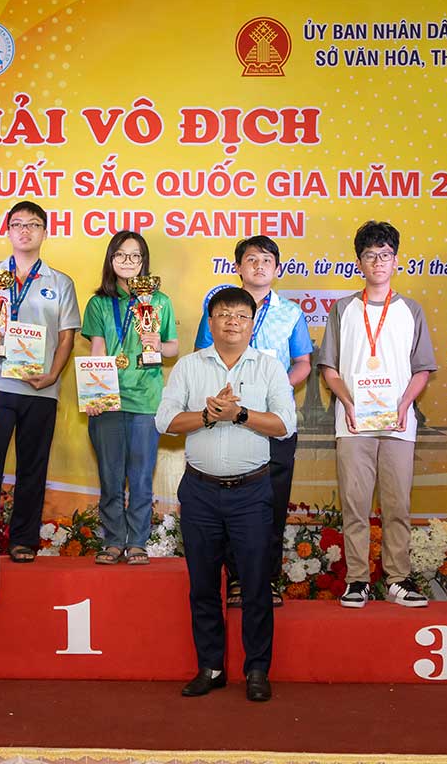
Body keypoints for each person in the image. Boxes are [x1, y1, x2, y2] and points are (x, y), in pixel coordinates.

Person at [156, 287, 297, 703]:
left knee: (255, 585)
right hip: (200, 492)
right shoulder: (189, 366)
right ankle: (211, 667)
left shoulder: (269, 367)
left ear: (251, 324)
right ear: (211, 321)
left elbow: (284, 425)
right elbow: (165, 421)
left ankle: (257, 670)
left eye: (240, 315)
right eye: (223, 314)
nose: (232, 322)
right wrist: (206, 415)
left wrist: (239, 414)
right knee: (203, 585)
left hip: (251, 493)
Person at [316, 221, 437, 609]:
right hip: (353, 424)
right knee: (355, 504)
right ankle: (357, 580)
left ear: (396, 260)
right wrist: (348, 402)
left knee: (397, 504)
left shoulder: (411, 310)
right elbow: (329, 368)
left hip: (398, 424)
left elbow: (422, 369)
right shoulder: (342, 310)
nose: (378, 262)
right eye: (370, 255)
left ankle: (398, 579)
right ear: (359, 263)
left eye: (385, 255)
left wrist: (404, 404)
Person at [194, 236, 312, 606]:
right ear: (237, 267)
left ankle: (268, 580)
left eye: (266, 260)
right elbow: (201, 355)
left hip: (273, 421)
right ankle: (237, 580)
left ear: (277, 268)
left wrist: (274, 389)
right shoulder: (218, 309)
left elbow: (303, 363)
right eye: (251, 260)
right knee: (231, 500)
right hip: (227, 419)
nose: (259, 266)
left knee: (271, 504)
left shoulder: (291, 313)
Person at [0, 200, 82, 562]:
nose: (25, 230)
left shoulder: (60, 282)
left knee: (33, 466)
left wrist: (52, 375)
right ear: (8, 231)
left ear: (45, 232)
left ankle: (24, 541)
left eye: (33, 224)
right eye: (17, 224)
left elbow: (66, 336)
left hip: (40, 388)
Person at [82, 231, 178, 565]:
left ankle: (137, 541)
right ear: (111, 259)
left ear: (143, 262)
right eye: (121, 255)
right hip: (108, 398)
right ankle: (112, 541)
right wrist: (94, 393)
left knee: (140, 477)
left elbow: (173, 348)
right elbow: (98, 349)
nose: (128, 261)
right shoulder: (98, 303)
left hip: (146, 400)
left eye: (135, 256)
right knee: (110, 476)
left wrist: (157, 344)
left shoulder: (159, 301)